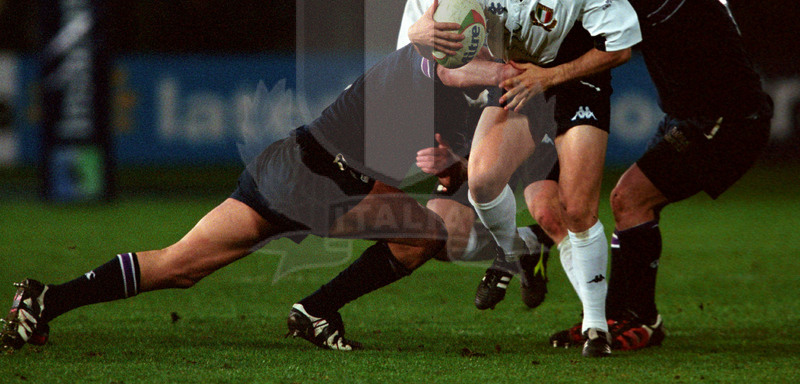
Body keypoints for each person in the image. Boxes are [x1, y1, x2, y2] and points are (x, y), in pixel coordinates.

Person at [1, 43, 515, 354]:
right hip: (321, 181)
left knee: (180, 265)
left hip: (288, 162)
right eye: (487, 51)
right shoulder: (424, 61)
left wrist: (455, 169)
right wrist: (510, 75)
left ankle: (47, 299)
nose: (491, 59)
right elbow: (449, 71)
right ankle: (316, 309)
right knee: (424, 232)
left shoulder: (454, 100)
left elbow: (449, 168)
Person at [408, 0, 642, 357]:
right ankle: (515, 250)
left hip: (575, 80)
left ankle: (596, 326)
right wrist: (421, 35)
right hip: (519, 80)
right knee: (482, 182)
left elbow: (620, 47)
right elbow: (444, 57)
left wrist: (551, 75)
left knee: (575, 210)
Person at [550, 0, 773, 351]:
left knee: (629, 198)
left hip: (726, 123)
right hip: (699, 117)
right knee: (631, 202)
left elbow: (600, 41)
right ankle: (616, 315)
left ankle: (641, 320)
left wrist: (543, 67)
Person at [396, 0, 561, 309]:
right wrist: (435, 140)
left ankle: (597, 322)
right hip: (463, 133)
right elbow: (417, 71)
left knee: (555, 215)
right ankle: (522, 248)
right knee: (443, 236)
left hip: (526, 111)